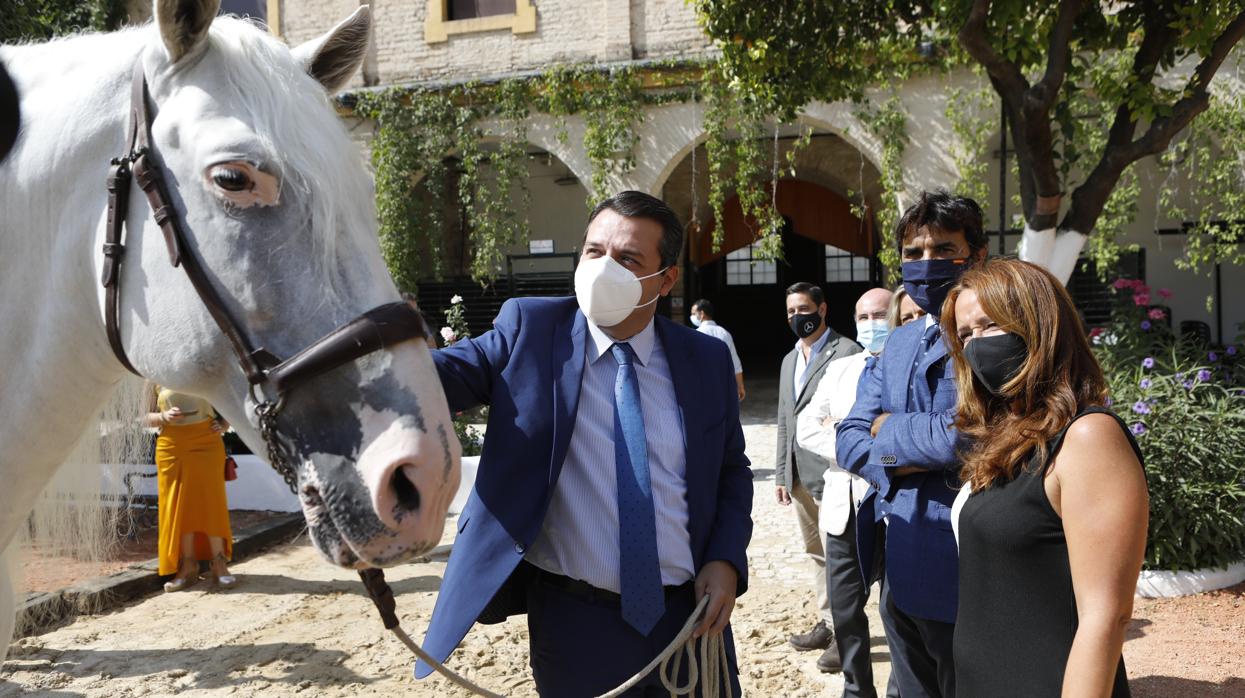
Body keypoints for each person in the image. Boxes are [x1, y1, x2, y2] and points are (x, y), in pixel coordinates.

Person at [417, 191, 753, 696]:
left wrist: (726, 560)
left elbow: (731, 470)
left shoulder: (704, 361)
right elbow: (433, 379)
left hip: (690, 620)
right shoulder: (530, 331)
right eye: (594, 252)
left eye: (627, 259)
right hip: (575, 625)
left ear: (664, 280)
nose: (603, 268)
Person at [944, 259, 1147, 697]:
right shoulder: (1010, 436)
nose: (977, 346)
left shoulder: (1087, 437)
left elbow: (1106, 615)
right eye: (965, 335)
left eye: (991, 326)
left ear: (1038, 326)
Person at [836, 191, 989, 698]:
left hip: (967, 566)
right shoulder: (898, 340)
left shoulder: (994, 333)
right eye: (913, 253)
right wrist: (897, 447)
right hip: (898, 560)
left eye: (944, 250)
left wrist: (888, 428)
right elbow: (849, 438)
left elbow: (969, 434)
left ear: (977, 256)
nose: (926, 264)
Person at [795, 287, 891, 695]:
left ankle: (902, 687)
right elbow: (805, 428)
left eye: (881, 315)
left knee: (897, 607)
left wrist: (843, 428)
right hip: (842, 504)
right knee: (846, 607)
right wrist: (860, 444)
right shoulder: (841, 369)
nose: (872, 324)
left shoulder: (911, 368)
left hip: (892, 502)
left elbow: (910, 432)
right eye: (864, 317)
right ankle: (857, 687)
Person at [776, 281, 862, 671]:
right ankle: (828, 623)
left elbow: (856, 415)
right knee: (817, 555)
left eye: (804, 309)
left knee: (841, 560)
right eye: (791, 311)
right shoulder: (789, 360)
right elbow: (785, 420)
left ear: (823, 309)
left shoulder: (847, 352)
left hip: (832, 475)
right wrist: (781, 473)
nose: (798, 317)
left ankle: (848, 636)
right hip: (798, 477)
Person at [142, 384, 235, 592]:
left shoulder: (200, 365)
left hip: (207, 441)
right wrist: (163, 418)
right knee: (177, 504)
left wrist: (225, 423)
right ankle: (187, 565)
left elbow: (232, 396)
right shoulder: (152, 373)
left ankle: (219, 563)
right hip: (171, 446)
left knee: (211, 501)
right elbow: (141, 416)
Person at [690, 298, 745, 401]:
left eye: (693, 313)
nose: (692, 317)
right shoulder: (724, 333)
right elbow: (735, 363)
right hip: (723, 386)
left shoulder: (695, 334)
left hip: (702, 387)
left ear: (701, 314)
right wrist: (740, 386)